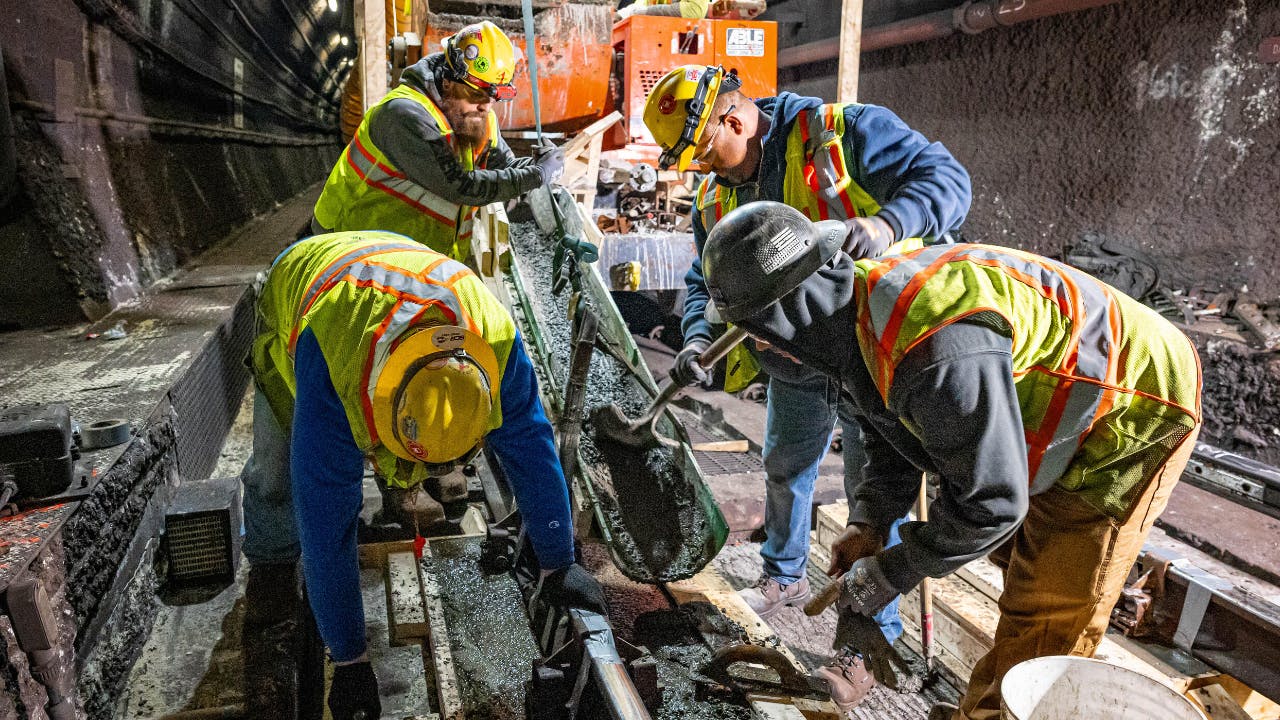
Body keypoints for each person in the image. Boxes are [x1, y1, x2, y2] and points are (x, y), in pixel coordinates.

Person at [700, 201, 1202, 720]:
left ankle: (994, 710)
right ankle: (986, 702)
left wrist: (896, 569)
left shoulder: (933, 348)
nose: (757, 344)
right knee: (1014, 562)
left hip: (1133, 406)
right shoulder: (852, 309)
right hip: (1052, 393)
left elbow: (995, 504)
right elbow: (889, 424)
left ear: (784, 317)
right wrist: (871, 523)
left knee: (1047, 611)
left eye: (754, 330)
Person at [641, 63, 971, 708]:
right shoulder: (717, 196)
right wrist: (694, 338)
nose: (703, 171)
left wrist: (886, 226)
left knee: (875, 493)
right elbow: (703, 281)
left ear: (734, 120)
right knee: (787, 465)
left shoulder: (841, 136)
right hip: (793, 359)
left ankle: (867, 642)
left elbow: (948, 182)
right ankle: (783, 575)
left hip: (874, 351)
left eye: (705, 150)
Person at [243, 231, 606, 720]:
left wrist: (558, 560)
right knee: (279, 473)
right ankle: (269, 567)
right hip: (302, 285)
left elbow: (530, 443)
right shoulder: (334, 365)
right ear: (381, 404)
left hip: (396, 265)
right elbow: (326, 520)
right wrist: (350, 658)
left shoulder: (495, 338)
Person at [312, 21, 564, 262]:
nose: (485, 106)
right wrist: (538, 175)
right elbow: (460, 186)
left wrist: (537, 164)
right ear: (448, 81)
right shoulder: (403, 114)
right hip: (350, 246)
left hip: (411, 259)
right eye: (476, 93)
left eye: (492, 97)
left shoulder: (478, 115)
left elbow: (504, 166)